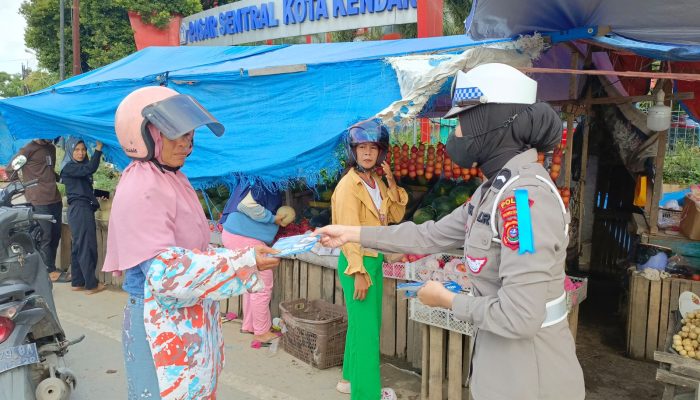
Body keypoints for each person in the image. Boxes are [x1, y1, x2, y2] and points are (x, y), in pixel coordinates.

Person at [316, 64, 585, 400]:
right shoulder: (493, 190)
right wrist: (352, 233)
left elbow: (520, 317)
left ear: (490, 124)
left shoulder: (524, 200)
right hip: (500, 367)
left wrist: (447, 300)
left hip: (530, 379)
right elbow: (427, 235)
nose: (455, 133)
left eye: (461, 122)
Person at [103, 86, 280, 400]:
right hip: (158, 318)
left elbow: (194, 250)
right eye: (176, 134)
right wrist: (243, 263)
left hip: (186, 316)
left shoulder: (171, 177)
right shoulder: (142, 184)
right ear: (145, 135)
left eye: (190, 135)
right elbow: (165, 271)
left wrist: (240, 256)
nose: (187, 144)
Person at [332, 119, 408, 400]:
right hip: (358, 262)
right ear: (353, 151)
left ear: (380, 152)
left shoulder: (375, 182)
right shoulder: (347, 187)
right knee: (367, 333)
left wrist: (390, 180)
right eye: (361, 147)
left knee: (361, 325)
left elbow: (397, 214)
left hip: (373, 260)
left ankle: (350, 380)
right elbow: (347, 231)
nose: (367, 153)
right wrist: (359, 271)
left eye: (373, 148)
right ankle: (367, 395)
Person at [220, 185, 293, 347]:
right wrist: (272, 218)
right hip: (246, 237)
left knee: (252, 284)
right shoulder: (263, 183)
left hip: (234, 234)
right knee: (262, 286)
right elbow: (246, 205)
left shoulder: (253, 179)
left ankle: (250, 325)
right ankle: (261, 332)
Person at [7, 139, 64, 282]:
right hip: (39, 199)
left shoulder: (51, 148)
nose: (51, 137)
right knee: (45, 235)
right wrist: (27, 187)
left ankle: (50, 266)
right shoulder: (28, 149)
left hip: (54, 197)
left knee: (56, 233)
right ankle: (47, 271)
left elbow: (48, 170)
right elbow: (10, 170)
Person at [60, 137, 105, 294]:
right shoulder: (69, 168)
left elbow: (84, 188)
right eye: (77, 150)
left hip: (80, 209)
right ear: (71, 151)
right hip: (80, 210)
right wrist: (98, 150)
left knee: (78, 247)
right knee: (87, 246)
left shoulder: (78, 168)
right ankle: (91, 285)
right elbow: (91, 168)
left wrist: (100, 195)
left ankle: (77, 282)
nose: (81, 153)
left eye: (83, 150)